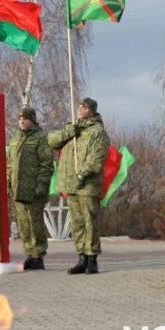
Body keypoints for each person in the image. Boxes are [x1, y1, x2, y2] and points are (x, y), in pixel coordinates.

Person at [48, 97, 110, 275]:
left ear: (92, 111)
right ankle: (81, 256)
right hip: (71, 185)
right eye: (79, 106)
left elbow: (97, 158)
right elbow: (52, 141)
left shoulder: (98, 132)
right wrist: (69, 132)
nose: (80, 108)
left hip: (87, 184)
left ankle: (92, 259)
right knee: (77, 223)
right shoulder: (72, 129)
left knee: (90, 221)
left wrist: (82, 174)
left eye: (84, 107)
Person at [7, 106, 53, 270]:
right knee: (24, 225)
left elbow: (46, 165)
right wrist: (8, 183)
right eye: (20, 118)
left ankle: (38, 255)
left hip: (34, 190)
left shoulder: (40, 138)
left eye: (25, 118)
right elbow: (10, 164)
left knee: (35, 224)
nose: (22, 121)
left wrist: (41, 186)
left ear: (32, 121)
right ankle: (30, 254)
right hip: (18, 191)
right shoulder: (14, 140)